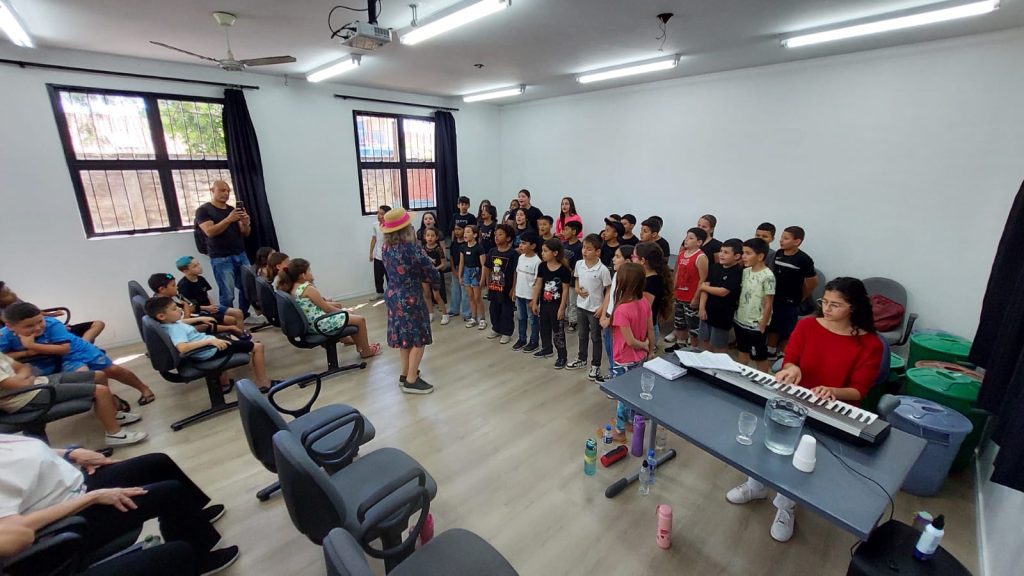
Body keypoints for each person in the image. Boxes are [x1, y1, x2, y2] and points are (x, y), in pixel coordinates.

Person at [726, 277, 883, 543]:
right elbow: (790, 362)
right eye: (825, 302)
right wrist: (791, 369)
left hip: (830, 409)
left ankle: (786, 506)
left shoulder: (870, 344)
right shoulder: (808, 326)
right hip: (793, 398)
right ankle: (756, 485)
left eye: (836, 305)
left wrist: (833, 391)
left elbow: (860, 390)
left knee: (802, 459)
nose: (828, 309)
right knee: (767, 443)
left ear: (853, 308)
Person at [0, 435, 239, 574]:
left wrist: (71, 453)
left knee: (157, 462)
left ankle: (191, 517)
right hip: (69, 516)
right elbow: (15, 533)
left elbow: (25, 448)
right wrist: (92, 497)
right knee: (169, 492)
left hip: (74, 482)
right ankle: (200, 558)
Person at [1, 302, 156, 406]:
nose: (38, 328)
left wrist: (33, 345)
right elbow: (4, 357)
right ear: (9, 326)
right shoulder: (5, 335)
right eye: (29, 326)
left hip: (76, 351)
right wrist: (27, 351)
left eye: (40, 321)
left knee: (112, 370)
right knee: (86, 379)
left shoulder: (52, 324)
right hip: (47, 362)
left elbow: (64, 349)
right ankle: (110, 402)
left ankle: (144, 389)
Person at [0, 351, 146, 446]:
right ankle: (115, 434)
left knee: (99, 375)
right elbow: (21, 382)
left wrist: (26, 377)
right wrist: (26, 378)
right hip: (28, 398)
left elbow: (23, 367)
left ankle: (113, 415)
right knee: (100, 391)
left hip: (39, 383)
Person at [145, 296, 274, 393]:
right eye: (174, 309)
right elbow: (182, 348)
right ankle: (263, 383)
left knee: (229, 337)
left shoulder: (169, 324)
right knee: (257, 347)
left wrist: (200, 318)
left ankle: (224, 382)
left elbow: (182, 322)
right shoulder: (175, 329)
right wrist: (210, 341)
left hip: (207, 348)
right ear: (162, 316)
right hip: (209, 351)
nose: (179, 309)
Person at [380, 208, 440, 394]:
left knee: (405, 337)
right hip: (410, 298)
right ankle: (412, 381)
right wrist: (434, 281)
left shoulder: (385, 248)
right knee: (418, 338)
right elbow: (431, 271)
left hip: (392, 296)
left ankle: (405, 373)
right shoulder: (412, 249)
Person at [276, 259, 381, 360]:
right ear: (303, 275)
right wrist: (344, 312)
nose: (311, 273)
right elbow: (326, 308)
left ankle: (360, 346)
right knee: (360, 320)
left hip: (311, 324)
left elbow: (316, 304)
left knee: (350, 316)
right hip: (321, 324)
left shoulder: (293, 288)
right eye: (309, 270)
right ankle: (366, 351)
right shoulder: (308, 288)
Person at [606, 263, 654, 442]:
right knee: (635, 391)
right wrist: (649, 349)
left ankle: (620, 431)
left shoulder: (621, 310)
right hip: (640, 358)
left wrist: (643, 345)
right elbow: (650, 329)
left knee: (623, 396)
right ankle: (633, 422)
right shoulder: (644, 302)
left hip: (624, 359)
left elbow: (631, 341)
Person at [195, 180, 251, 314]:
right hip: (221, 258)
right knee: (227, 294)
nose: (226, 193)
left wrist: (246, 223)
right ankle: (228, 321)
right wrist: (228, 219)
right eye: (222, 190)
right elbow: (210, 232)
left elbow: (245, 233)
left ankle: (243, 315)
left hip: (240, 254)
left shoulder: (233, 210)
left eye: (228, 191)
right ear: (212, 190)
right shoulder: (204, 211)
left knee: (248, 288)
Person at [767, 226, 817, 358]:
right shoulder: (778, 254)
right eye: (781, 237)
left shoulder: (803, 259)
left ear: (797, 241)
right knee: (773, 325)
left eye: (786, 238)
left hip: (791, 300)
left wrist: (802, 296)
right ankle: (770, 350)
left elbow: (812, 282)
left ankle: (784, 354)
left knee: (787, 328)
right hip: (775, 297)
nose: (781, 240)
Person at [148, 273, 247, 340]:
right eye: (173, 285)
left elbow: (193, 307)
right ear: (162, 289)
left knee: (232, 319)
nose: (177, 287)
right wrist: (186, 306)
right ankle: (236, 338)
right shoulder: (163, 305)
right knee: (230, 322)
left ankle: (238, 338)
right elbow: (183, 321)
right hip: (190, 323)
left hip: (196, 315)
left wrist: (200, 308)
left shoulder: (174, 296)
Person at [0, 282, 105, 343]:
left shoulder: (16, 302)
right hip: (41, 336)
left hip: (49, 328)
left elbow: (34, 313)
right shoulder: (7, 319)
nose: (12, 293)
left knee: (98, 324)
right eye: (7, 293)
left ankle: (83, 345)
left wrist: (52, 317)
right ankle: (81, 348)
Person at [567, 234, 611, 381]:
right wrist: (578, 289)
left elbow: (608, 290)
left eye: (589, 249)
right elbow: (577, 278)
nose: (585, 251)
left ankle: (596, 365)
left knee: (595, 337)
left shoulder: (602, 270)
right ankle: (582, 359)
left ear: (597, 252)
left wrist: (602, 308)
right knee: (582, 334)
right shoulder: (579, 264)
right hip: (581, 306)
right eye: (584, 248)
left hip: (595, 309)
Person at [733, 238, 776, 372]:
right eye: (743, 252)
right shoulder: (746, 272)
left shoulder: (768, 276)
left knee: (759, 356)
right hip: (740, 319)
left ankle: (764, 380)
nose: (743, 256)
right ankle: (741, 373)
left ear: (760, 256)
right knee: (742, 349)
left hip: (756, 324)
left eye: (748, 253)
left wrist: (763, 323)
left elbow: (769, 303)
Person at [531, 238, 571, 368]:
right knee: (544, 327)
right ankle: (547, 348)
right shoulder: (542, 266)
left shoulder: (564, 270)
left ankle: (562, 356)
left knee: (558, 332)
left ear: (555, 253)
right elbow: (538, 284)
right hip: (544, 304)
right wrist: (534, 301)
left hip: (556, 306)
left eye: (545, 251)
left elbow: (565, 290)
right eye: (542, 251)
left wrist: (562, 308)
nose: (542, 253)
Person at [698, 238, 744, 353]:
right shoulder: (715, 267)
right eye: (721, 251)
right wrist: (702, 307)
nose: (721, 255)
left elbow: (723, 292)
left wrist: (704, 287)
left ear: (737, 256)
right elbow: (705, 288)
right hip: (707, 310)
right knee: (704, 339)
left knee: (719, 344)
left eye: (726, 252)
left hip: (722, 315)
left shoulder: (737, 272)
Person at [598, 245, 635, 380]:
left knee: (617, 350)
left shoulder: (629, 280)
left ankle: (618, 378)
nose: (613, 259)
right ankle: (612, 372)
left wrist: (609, 319)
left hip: (617, 319)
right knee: (609, 347)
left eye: (618, 257)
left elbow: (621, 303)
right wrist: (603, 314)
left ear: (628, 262)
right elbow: (610, 295)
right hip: (609, 316)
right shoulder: (616, 274)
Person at [175, 256, 245, 328]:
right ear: (186, 271)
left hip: (209, 307)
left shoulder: (201, 278)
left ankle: (242, 334)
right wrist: (207, 308)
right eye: (195, 266)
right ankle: (235, 333)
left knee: (238, 312)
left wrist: (212, 306)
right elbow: (190, 307)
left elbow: (207, 295)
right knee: (231, 320)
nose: (199, 267)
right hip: (199, 312)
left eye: (198, 264)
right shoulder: (183, 285)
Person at [669, 228, 709, 350]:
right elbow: (677, 274)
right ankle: (680, 344)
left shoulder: (700, 257)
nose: (687, 240)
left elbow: (703, 279)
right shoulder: (682, 254)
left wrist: (696, 297)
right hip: (679, 295)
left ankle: (694, 349)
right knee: (679, 322)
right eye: (686, 237)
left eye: (691, 238)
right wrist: (673, 290)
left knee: (693, 326)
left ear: (699, 242)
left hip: (691, 297)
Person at [482, 224, 518, 344]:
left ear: (508, 238)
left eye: (500, 234)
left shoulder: (513, 254)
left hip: (506, 288)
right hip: (493, 287)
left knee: (507, 311)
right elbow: (487, 267)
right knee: (494, 309)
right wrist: (486, 283)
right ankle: (496, 328)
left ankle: (507, 332)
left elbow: (515, 272)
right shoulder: (492, 251)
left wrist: (514, 288)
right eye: (495, 235)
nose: (496, 237)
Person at [636, 242, 672, 344]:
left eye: (634, 256)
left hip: (645, 329)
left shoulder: (652, 282)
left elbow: (643, 310)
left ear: (642, 261)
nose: (631, 259)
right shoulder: (645, 277)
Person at [512, 230, 542, 352]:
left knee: (533, 320)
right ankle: (522, 338)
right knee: (521, 318)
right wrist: (514, 290)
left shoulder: (537, 262)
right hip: (520, 294)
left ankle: (534, 341)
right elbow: (518, 275)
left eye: (524, 243)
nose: (521, 245)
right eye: (520, 243)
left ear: (533, 246)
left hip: (530, 296)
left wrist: (534, 300)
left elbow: (537, 283)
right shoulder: (521, 258)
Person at [458, 225, 487, 330]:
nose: (465, 234)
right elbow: (461, 262)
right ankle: (473, 318)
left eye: (468, 232)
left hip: (476, 272)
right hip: (466, 271)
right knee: (470, 297)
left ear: (474, 234)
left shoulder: (479, 248)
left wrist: (483, 278)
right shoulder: (463, 247)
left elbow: (483, 265)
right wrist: (460, 275)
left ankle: (482, 319)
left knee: (477, 297)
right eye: (465, 232)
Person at [422, 227, 449, 325]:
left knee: (437, 296)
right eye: (428, 235)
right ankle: (430, 313)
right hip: (425, 275)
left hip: (435, 275)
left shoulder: (439, 249)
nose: (430, 238)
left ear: (437, 237)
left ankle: (445, 314)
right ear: (425, 237)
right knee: (427, 295)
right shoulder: (423, 248)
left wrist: (434, 269)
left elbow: (443, 264)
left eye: (432, 235)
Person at [561, 220, 584, 332]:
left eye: (566, 229)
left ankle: (573, 321)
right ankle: (564, 317)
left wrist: (572, 273)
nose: (563, 232)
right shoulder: (563, 245)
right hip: (562, 278)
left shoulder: (580, 247)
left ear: (574, 232)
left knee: (572, 301)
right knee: (563, 299)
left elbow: (579, 264)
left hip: (573, 279)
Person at [447, 224, 471, 320]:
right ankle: (454, 309)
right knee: (455, 290)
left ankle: (467, 313)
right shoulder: (453, 243)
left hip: (465, 269)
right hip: (455, 269)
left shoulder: (466, 244)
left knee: (465, 292)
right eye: (455, 229)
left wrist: (461, 272)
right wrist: (453, 270)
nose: (457, 231)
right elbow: (451, 257)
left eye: (459, 229)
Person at [368, 205, 391, 301]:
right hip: (378, 256)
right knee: (378, 276)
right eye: (378, 213)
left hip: (389, 256)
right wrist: (370, 253)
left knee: (390, 277)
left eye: (382, 213)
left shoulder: (391, 226)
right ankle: (379, 292)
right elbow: (374, 239)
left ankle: (391, 294)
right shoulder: (375, 225)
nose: (379, 215)